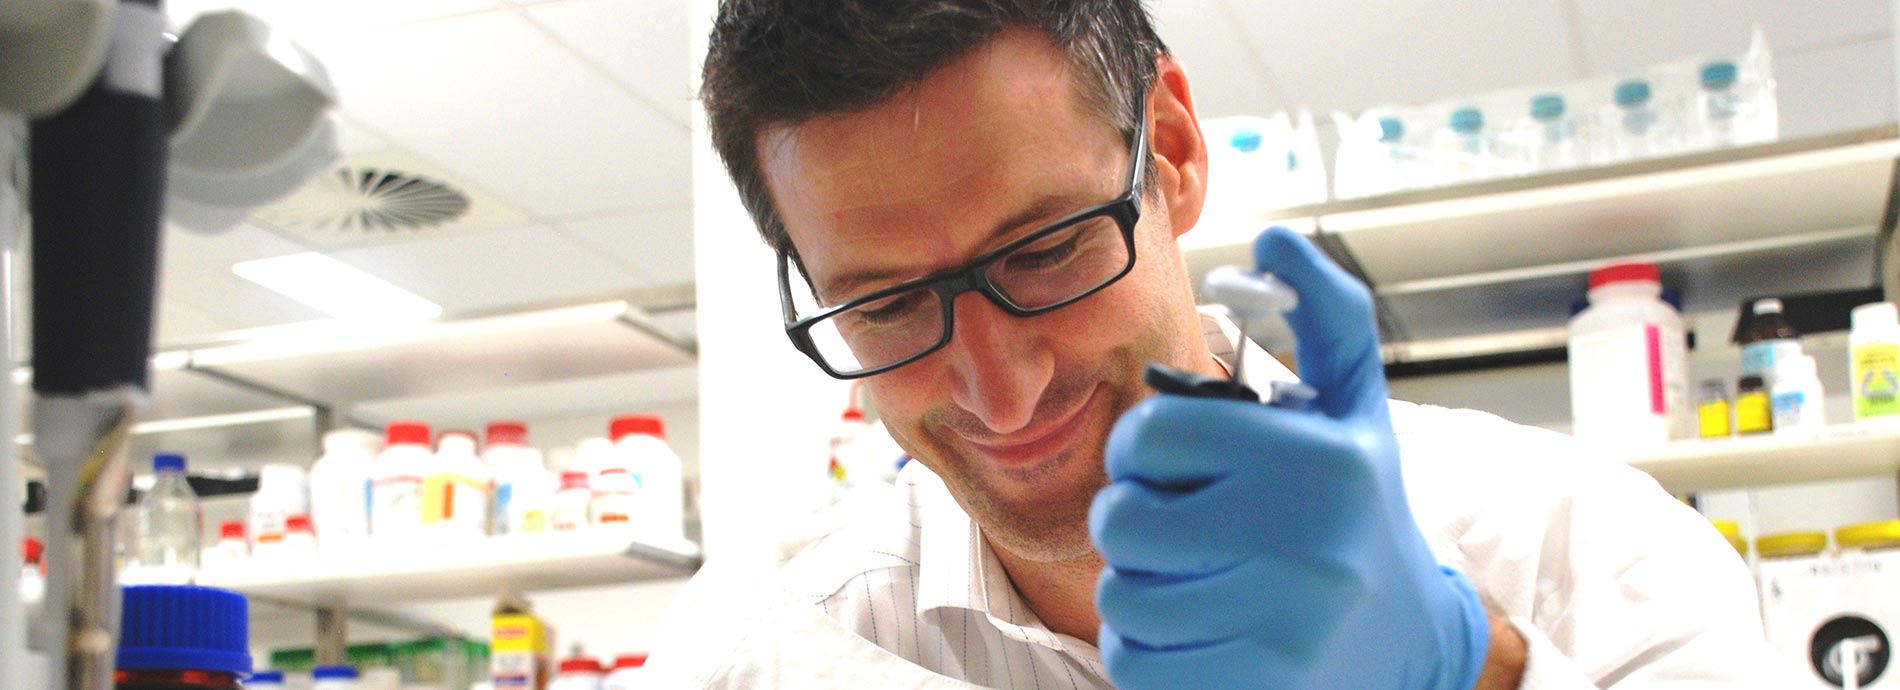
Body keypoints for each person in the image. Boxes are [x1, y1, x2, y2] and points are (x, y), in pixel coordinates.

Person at [648, 1, 1779, 688]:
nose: (1001, 388)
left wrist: (1470, 676)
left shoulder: (1580, 552)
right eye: (888, 306)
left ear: (1173, 150)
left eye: (1044, 250)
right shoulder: (751, 661)